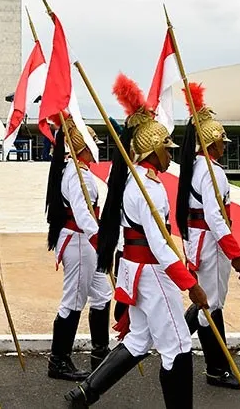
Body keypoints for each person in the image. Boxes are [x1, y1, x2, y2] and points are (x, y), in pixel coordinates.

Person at [65, 74, 209, 408]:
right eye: (166, 150)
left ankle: (85, 393)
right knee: (178, 346)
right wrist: (190, 284)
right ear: (153, 151)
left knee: (138, 340)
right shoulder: (149, 188)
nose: (170, 156)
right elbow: (159, 244)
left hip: (136, 269)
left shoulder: (132, 180)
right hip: (154, 273)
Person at [175, 82, 240, 390]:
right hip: (210, 244)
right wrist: (236, 253)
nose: (225, 146)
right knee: (211, 306)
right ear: (211, 144)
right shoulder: (212, 171)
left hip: (198, 243)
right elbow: (216, 218)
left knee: (209, 304)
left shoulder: (194, 167)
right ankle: (216, 369)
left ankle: (211, 362)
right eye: (222, 142)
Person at [45, 114, 113, 381]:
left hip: (85, 241)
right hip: (81, 241)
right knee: (73, 301)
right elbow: (84, 214)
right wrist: (100, 242)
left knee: (103, 294)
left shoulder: (78, 171)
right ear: (83, 147)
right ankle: (58, 361)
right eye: (93, 143)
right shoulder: (77, 174)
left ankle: (100, 352)